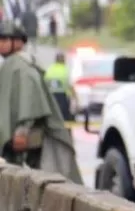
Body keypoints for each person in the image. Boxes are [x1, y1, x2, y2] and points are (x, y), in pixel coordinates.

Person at [0, 22, 82, 183]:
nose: (1, 44)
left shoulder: (21, 66)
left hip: (31, 139)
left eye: (4, 39)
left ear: (18, 42)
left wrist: (22, 131)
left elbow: (30, 98)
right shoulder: (12, 64)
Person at [44, 52, 76, 121]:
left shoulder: (50, 69)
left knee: (52, 117)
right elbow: (70, 85)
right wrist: (76, 98)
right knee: (64, 118)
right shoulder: (65, 70)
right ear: (64, 60)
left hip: (50, 96)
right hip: (62, 96)